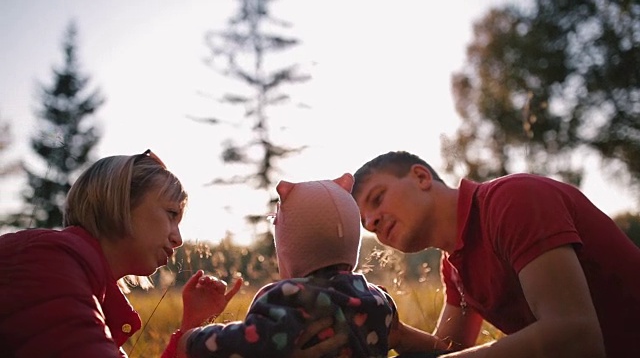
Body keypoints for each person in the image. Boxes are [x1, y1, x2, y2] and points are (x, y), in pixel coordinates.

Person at [0, 149, 342, 358]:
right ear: (121, 201)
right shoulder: (47, 261)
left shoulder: (85, 283)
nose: (178, 239)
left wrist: (190, 329)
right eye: (170, 215)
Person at [351, 150, 640, 358]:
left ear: (421, 177)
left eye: (377, 199)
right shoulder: (453, 266)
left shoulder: (511, 201)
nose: (373, 222)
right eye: (367, 223)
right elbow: (454, 348)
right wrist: (398, 334)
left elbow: (576, 335)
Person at [176, 173, 451, 357]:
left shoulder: (287, 299)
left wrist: (191, 338)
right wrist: (450, 350)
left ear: (288, 248)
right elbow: (403, 338)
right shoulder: (377, 300)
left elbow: (246, 342)